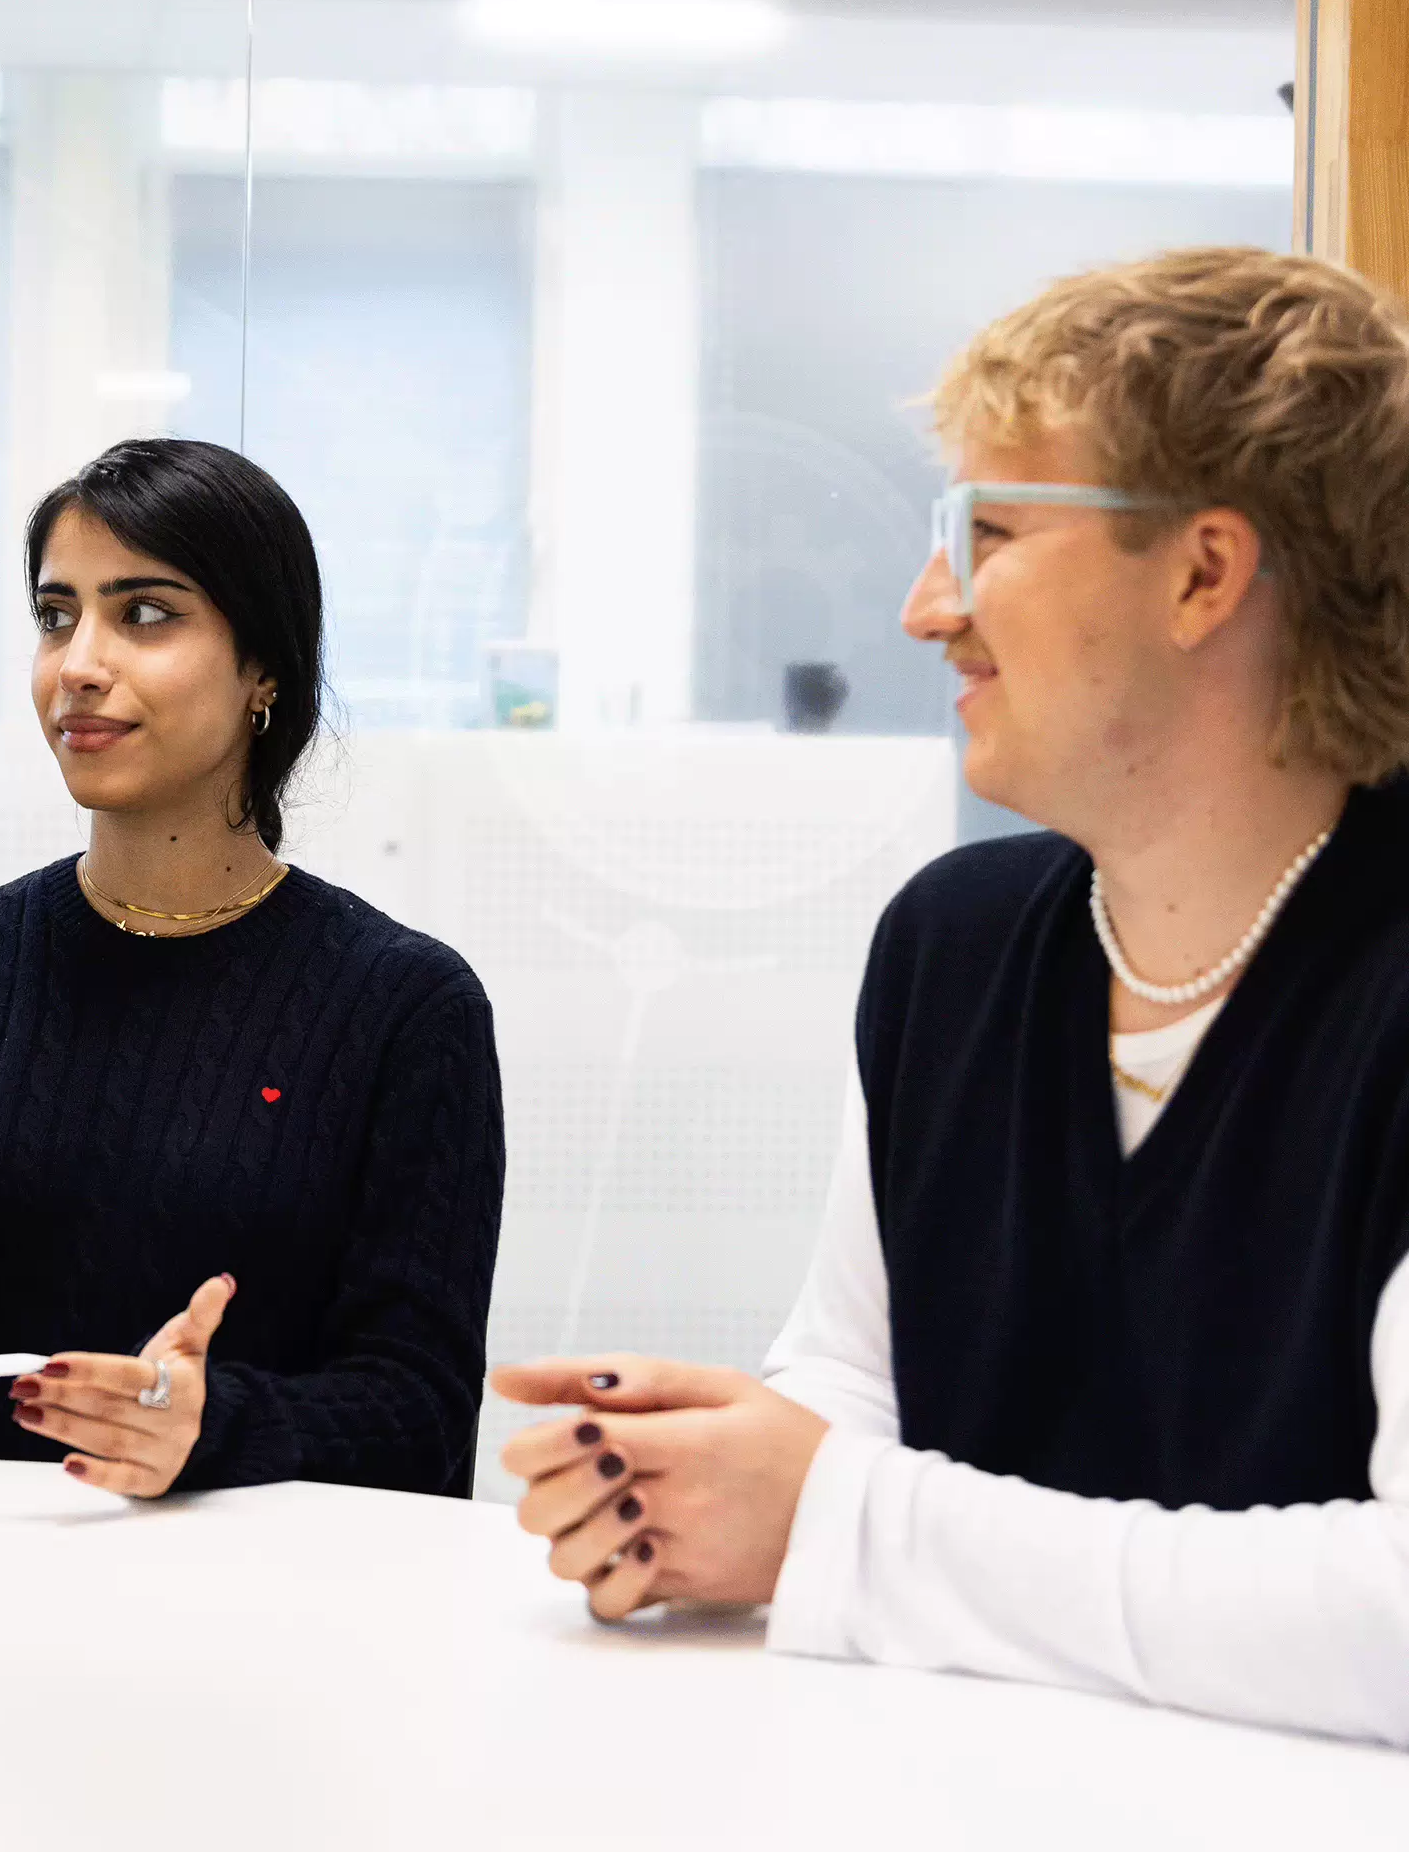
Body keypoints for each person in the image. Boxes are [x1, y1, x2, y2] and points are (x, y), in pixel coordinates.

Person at [494, 248, 1409, 1747]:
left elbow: (1398, 1617)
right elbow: (853, 1380)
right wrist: (700, 1495)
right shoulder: (954, 948)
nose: (931, 607)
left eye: (987, 531)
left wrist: (839, 1526)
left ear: (1204, 574)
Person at [0, 438, 505, 1502]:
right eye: (55, 615)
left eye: (145, 614)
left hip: (249, 1606)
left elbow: (420, 1410)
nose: (79, 663)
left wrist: (210, 1426)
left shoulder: (406, 1009)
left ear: (264, 666)